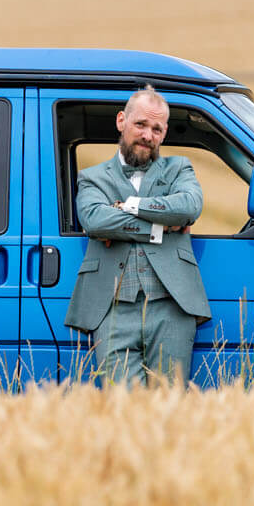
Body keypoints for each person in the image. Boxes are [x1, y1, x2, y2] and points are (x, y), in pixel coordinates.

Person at [64, 86, 210, 385]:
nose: (147, 135)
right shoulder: (92, 177)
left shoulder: (179, 168)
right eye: (140, 124)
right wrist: (159, 226)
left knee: (168, 403)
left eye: (156, 129)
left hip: (173, 306)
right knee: (122, 408)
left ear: (164, 132)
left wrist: (130, 206)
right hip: (112, 308)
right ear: (122, 121)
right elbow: (95, 220)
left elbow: (188, 206)